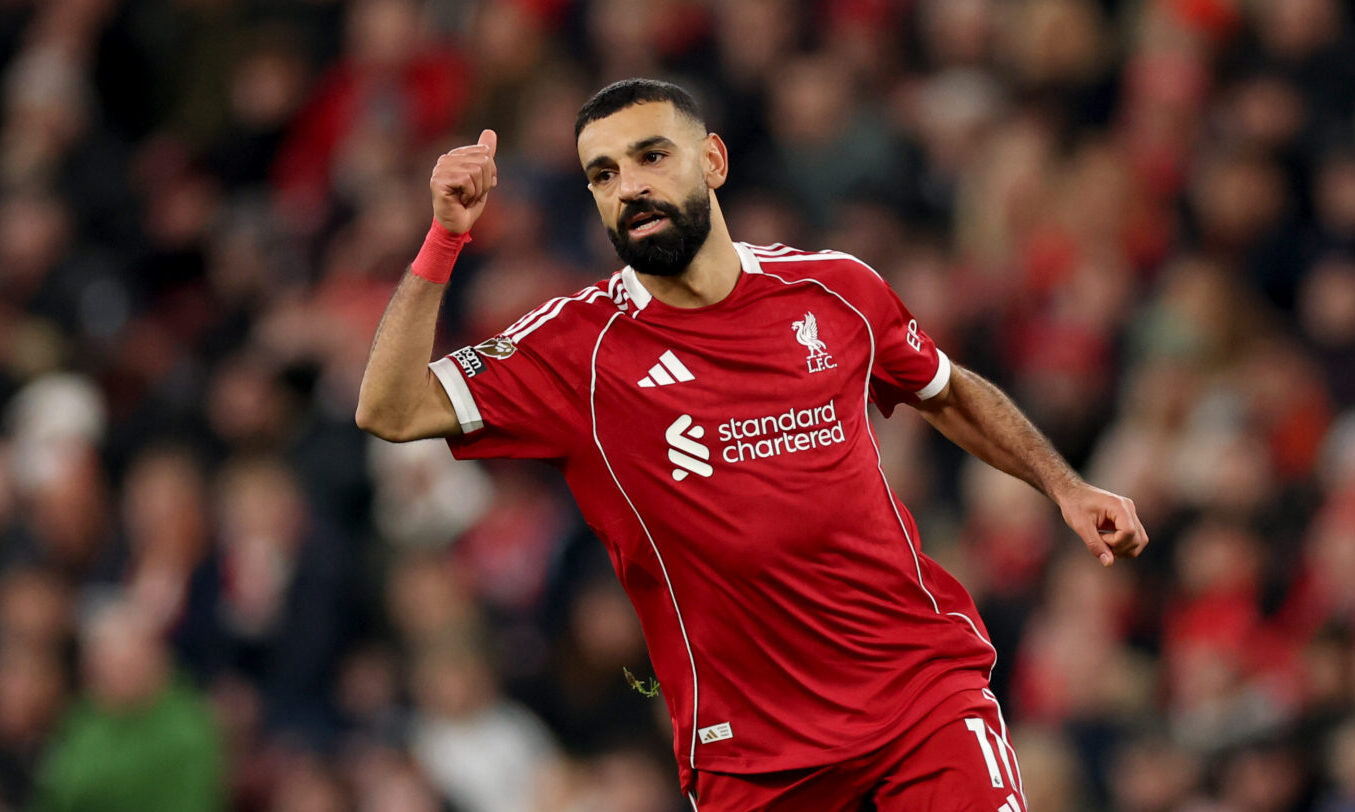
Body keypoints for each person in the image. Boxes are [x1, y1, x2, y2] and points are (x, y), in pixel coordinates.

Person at [356, 78, 1148, 811]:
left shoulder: (834, 289)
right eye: (603, 174)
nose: (629, 187)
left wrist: (1064, 486)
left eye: (651, 157)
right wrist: (444, 239)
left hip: (917, 696)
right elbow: (390, 408)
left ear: (713, 160)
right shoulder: (575, 351)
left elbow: (944, 388)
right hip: (752, 757)